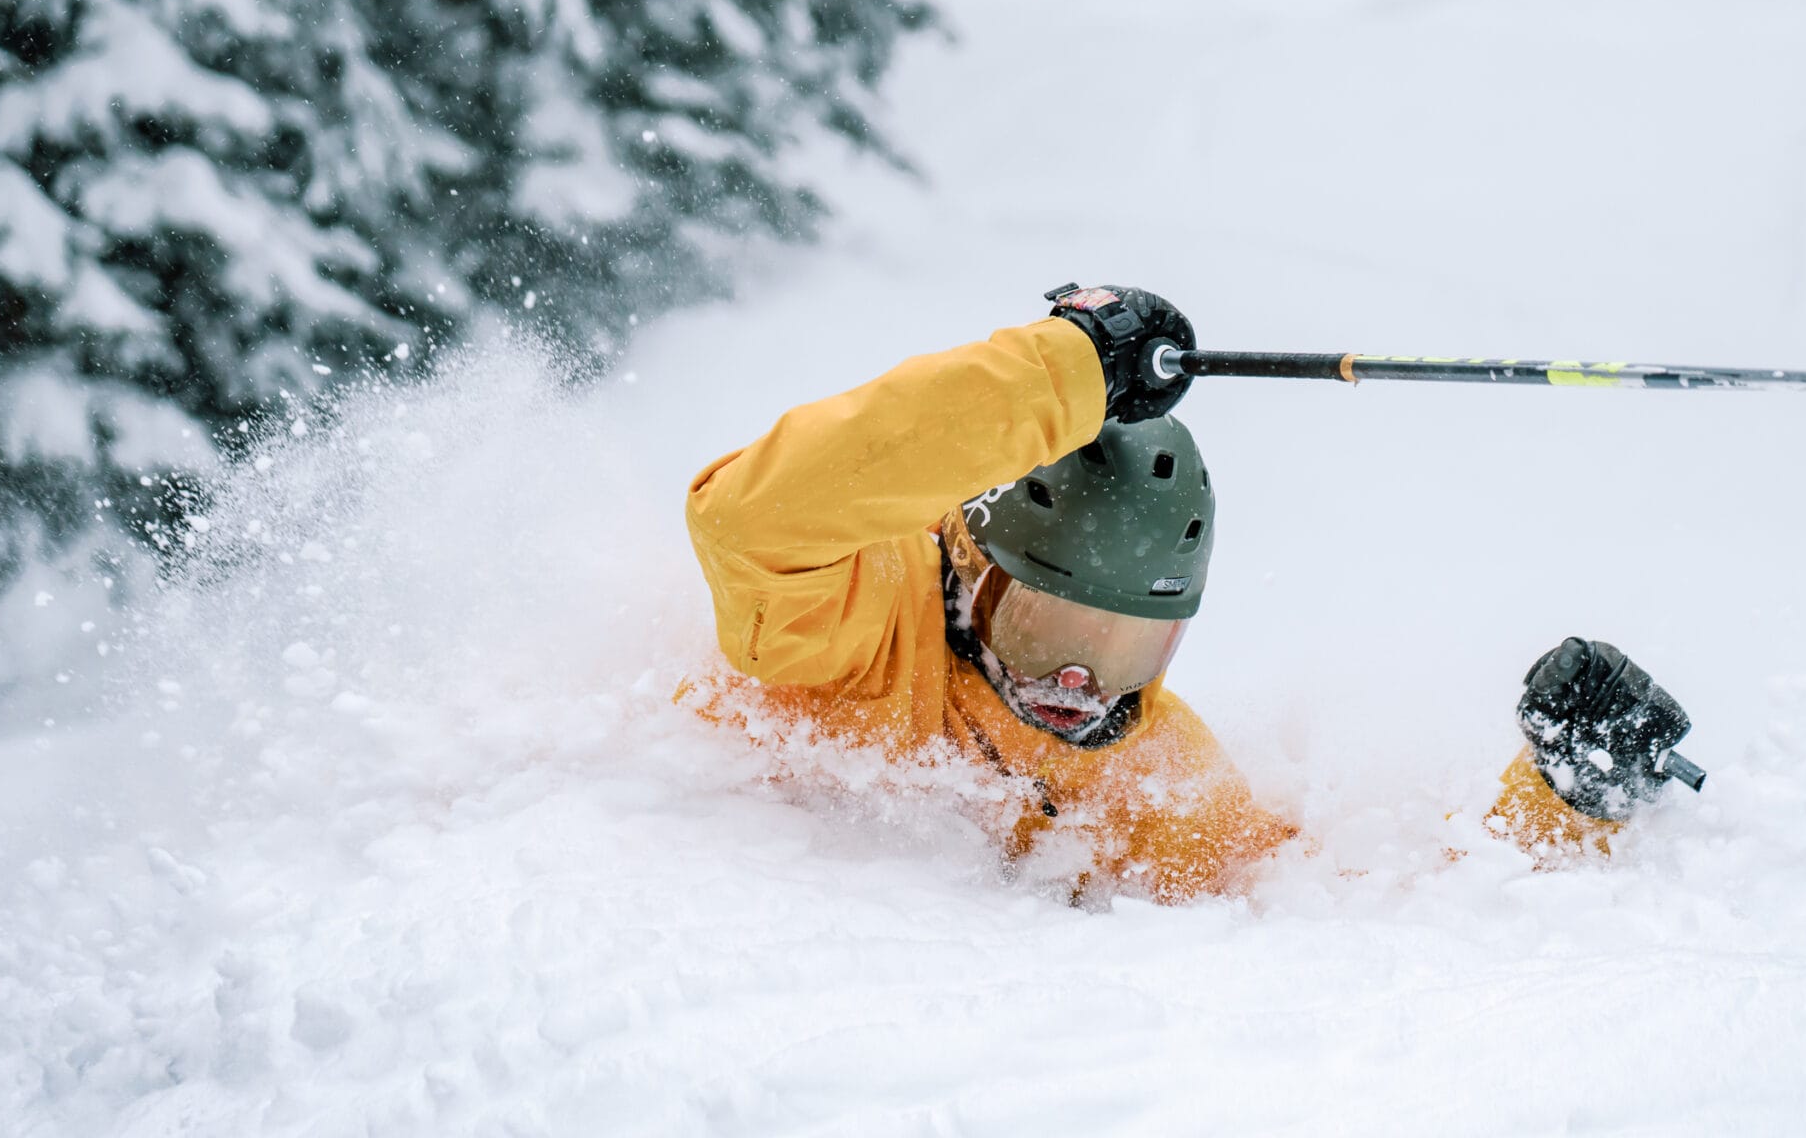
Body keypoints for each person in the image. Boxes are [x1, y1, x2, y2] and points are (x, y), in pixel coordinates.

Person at [685, 283, 1694, 903]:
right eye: (1049, 626)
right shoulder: (861, 623)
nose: (1081, 681)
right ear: (977, 571)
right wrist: (1063, 372)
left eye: (1132, 649)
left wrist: (1574, 799)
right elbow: (748, 519)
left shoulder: (1152, 769)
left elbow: (1339, 929)